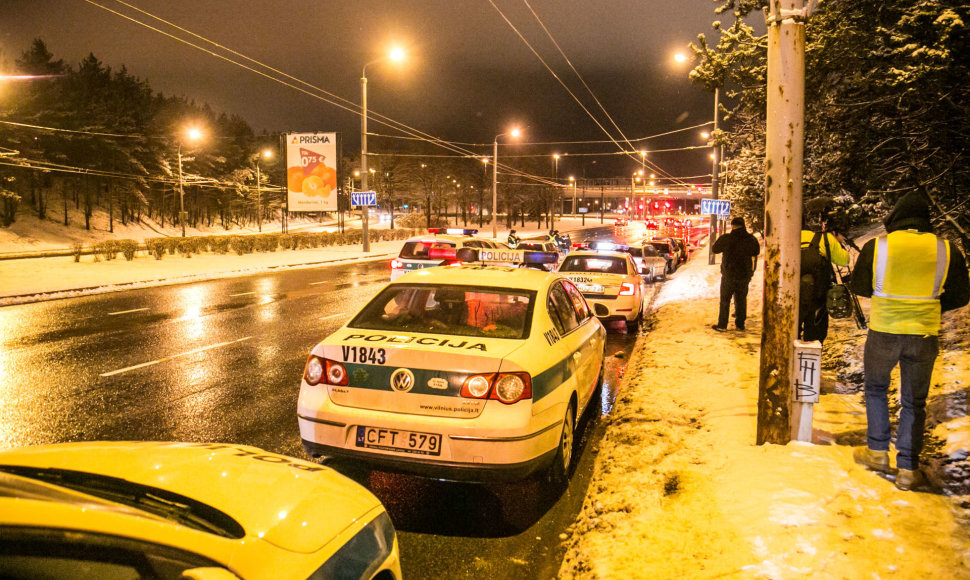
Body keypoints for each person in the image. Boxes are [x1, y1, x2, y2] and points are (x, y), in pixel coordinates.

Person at [850, 191, 969, 491]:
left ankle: (877, 452)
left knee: (876, 389)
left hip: (884, 331)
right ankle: (908, 469)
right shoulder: (947, 249)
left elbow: (860, 286)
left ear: (897, 217)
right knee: (914, 402)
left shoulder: (878, 246)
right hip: (924, 333)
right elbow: (961, 295)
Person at [798, 217, 850, 343]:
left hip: (793, 295)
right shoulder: (826, 239)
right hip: (818, 297)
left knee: (790, 332)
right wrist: (838, 243)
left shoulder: (788, 236)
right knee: (815, 335)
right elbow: (844, 260)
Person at [711, 216, 761, 331]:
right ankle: (740, 324)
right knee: (741, 300)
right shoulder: (750, 239)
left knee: (725, 300)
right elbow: (756, 251)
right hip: (744, 274)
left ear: (732, 226)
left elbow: (715, 249)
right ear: (743, 226)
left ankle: (722, 325)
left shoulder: (727, 238)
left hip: (729, 274)